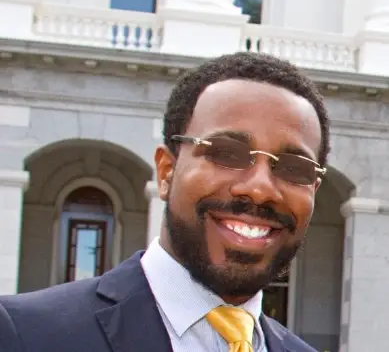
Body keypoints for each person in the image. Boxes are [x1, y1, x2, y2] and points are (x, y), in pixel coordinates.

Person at [0, 52, 329, 352]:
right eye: (226, 153)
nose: (260, 189)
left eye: (293, 168)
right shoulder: (25, 335)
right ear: (166, 172)